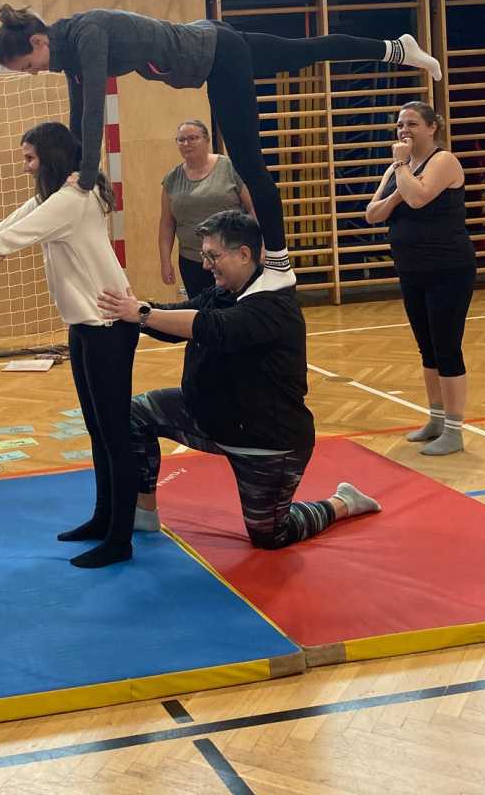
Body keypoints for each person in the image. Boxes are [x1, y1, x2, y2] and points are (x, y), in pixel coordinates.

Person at [0, 3, 441, 291]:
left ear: (38, 41)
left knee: (248, 163)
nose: (33, 72)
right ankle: (395, 49)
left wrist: (87, 178)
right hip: (213, 41)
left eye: (29, 64)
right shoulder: (71, 47)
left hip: (216, 57)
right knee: (304, 50)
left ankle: (279, 265)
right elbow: (78, 112)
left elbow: (95, 109)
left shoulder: (86, 34)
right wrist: (77, 168)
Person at [96, 209, 380, 549]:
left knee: (269, 536)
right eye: (204, 256)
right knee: (135, 414)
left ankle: (342, 502)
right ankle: (144, 513)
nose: (206, 265)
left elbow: (212, 327)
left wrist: (143, 314)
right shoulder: (222, 292)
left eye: (213, 256)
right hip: (209, 416)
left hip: (265, 440)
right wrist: (137, 310)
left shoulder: (272, 305)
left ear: (244, 254)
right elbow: (179, 319)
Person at [0, 121, 140, 569]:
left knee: (114, 435)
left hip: (108, 327)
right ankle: (103, 518)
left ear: (51, 157)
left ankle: (120, 538)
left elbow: (4, 242)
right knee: (97, 430)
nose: (26, 167)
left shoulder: (71, 200)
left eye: (30, 158)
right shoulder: (51, 198)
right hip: (84, 327)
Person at [365, 101, 475, 457]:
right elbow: (372, 214)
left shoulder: (443, 161)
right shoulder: (397, 169)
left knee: (446, 347)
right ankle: (436, 419)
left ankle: (455, 430)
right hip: (412, 270)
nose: (404, 131)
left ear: (432, 128)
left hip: (448, 269)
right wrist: (399, 186)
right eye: (400, 124)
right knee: (427, 348)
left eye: (412, 124)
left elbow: (418, 199)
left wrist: (401, 173)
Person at [159, 119, 254, 297]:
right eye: (181, 139)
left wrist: (260, 247)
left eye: (193, 138)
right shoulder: (171, 179)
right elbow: (167, 224)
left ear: (207, 140)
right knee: (202, 309)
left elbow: (253, 209)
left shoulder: (229, 167)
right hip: (192, 261)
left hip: (233, 257)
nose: (186, 143)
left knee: (234, 307)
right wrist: (165, 262)